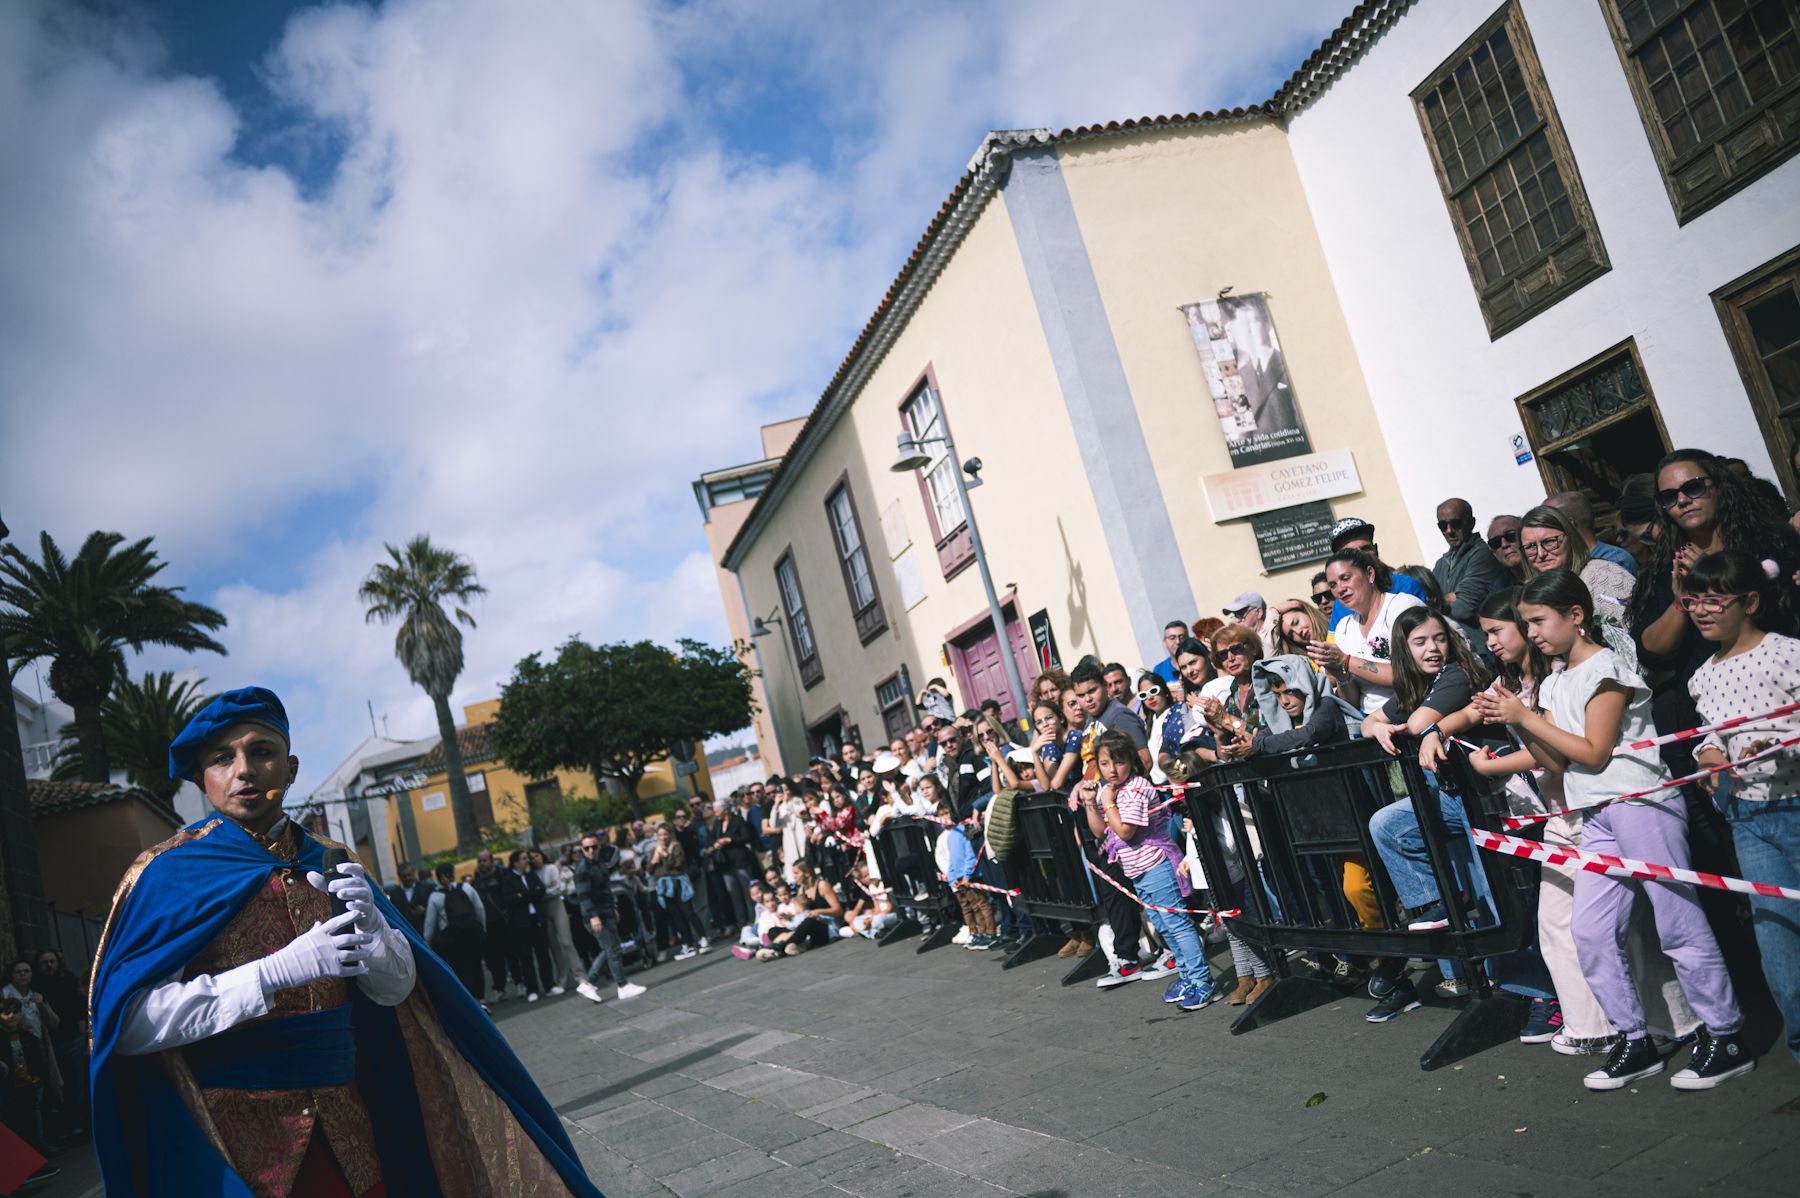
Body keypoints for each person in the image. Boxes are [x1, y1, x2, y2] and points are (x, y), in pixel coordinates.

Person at [88, 686, 600, 1196]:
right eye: (222, 758)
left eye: (261, 751)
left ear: (289, 769)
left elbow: (397, 992)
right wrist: (272, 973)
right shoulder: (168, 874)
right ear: (204, 779)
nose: (243, 770)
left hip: (354, 1125)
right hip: (236, 1146)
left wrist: (377, 934)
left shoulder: (331, 857)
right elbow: (129, 1024)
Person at [1478, 571, 1752, 1091]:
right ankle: (1633, 1036)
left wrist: (1524, 717)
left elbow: (1596, 752)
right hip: (1595, 814)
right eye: (1527, 623)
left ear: (1576, 616)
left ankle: (1726, 1032)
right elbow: (1555, 759)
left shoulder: (1608, 670)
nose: (1531, 632)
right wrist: (1518, 720)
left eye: (1539, 620)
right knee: (1591, 932)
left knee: (1679, 924)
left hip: (1643, 805)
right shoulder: (1556, 682)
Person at [1435, 589, 1697, 1056]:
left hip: (1609, 806)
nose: (1492, 641)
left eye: (1502, 630)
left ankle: (1678, 1025)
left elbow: (1564, 754)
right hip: (1569, 814)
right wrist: (1436, 731)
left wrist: (1494, 764)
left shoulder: (1572, 674)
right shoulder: (1517, 684)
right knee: (1565, 925)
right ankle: (1599, 1026)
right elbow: (1472, 713)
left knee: (1650, 926)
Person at [1684, 550, 1800, 1065]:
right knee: (1776, 941)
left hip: (1796, 805)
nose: (1702, 611)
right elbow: (1709, 734)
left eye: (1714, 600)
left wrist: (1778, 744)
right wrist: (1711, 755)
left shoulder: (1788, 654)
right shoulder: (1701, 676)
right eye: (1692, 601)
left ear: (1750, 601)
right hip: (1748, 818)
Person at [1075, 731, 1218, 1010]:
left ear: (1131, 760)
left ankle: (1203, 982)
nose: (1112, 770)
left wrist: (1106, 802)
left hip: (1157, 866)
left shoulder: (1137, 787)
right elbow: (1101, 831)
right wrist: (1092, 804)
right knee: (1164, 926)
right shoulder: (1112, 791)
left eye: (1118, 762)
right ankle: (1188, 976)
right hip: (1137, 870)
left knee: (1177, 924)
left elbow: (1125, 831)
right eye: (1105, 764)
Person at [1309, 547, 1424, 716]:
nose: (1340, 589)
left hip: (1414, 712)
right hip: (1371, 724)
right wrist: (1341, 675)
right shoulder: (1343, 627)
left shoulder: (1401, 607)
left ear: (1370, 574)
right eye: (1333, 585)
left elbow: (1408, 674)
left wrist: (1345, 661)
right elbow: (1351, 702)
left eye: (1345, 578)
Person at [1520, 504, 1634, 619]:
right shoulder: (1527, 594)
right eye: (1531, 547)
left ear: (1570, 537)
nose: (1541, 554)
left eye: (1549, 542)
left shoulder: (1603, 577)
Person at [571, 833, 648, 1004]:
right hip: (596, 915)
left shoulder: (599, 863)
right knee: (612, 950)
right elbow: (584, 897)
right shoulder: (582, 869)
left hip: (606, 911)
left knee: (611, 949)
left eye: (594, 847)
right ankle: (622, 985)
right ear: (582, 850)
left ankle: (589, 983)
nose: (590, 850)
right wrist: (593, 916)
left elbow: (606, 888)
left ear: (599, 847)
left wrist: (613, 906)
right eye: (586, 848)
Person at [1325, 517, 1429, 629]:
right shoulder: (1340, 603)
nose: (1361, 556)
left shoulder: (1405, 586)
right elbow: (1332, 644)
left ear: (1376, 549)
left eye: (1365, 549)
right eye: (1351, 553)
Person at [1432, 497, 1510, 642]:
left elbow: (1463, 608)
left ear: (1471, 523)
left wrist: (1438, 600)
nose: (1449, 531)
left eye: (1455, 523)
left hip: (1482, 648)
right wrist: (1447, 598)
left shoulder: (1482, 553)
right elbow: (1427, 607)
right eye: (1443, 526)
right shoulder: (1440, 564)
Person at [1, 995, 56, 1186]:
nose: (11, 1017)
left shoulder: (28, 1036)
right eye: (6, 1013)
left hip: (29, 1087)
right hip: (10, 1091)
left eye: (15, 1013)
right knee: (16, 1128)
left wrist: (37, 1078)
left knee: (33, 1124)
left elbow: (39, 1060)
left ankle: (35, 1165)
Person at [31, 948, 84, 1144]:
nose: (49, 965)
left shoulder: (68, 979)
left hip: (71, 1036)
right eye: (45, 962)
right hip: (49, 1042)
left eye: (52, 961)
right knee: (55, 1088)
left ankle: (78, 1125)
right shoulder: (36, 985)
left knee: (76, 1082)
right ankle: (63, 1127)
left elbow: (79, 1008)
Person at [422, 862, 487, 1003]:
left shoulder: (435, 896)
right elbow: (480, 909)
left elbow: (430, 922)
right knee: (476, 965)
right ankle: (482, 998)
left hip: (453, 938)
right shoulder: (466, 888)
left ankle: (472, 1001)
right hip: (472, 933)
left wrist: (427, 941)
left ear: (438, 877)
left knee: (462, 969)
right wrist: (482, 928)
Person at [940, 798, 998, 951]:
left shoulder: (962, 831)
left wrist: (967, 875)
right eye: (941, 815)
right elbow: (953, 859)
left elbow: (970, 856)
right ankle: (977, 932)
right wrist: (952, 878)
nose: (944, 818)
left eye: (946, 813)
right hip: (959, 879)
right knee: (969, 907)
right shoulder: (950, 835)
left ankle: (990, 932)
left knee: (981, 904)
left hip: (971, 877)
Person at [499, 849, 555, 1001]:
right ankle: (532, 989)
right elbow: (510, 899)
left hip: (536, 918)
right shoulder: (508, 879)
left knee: (543, 953)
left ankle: (549, 985)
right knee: (526, 957)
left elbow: (541, 890)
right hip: (521, 923)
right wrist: (529, 894)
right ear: (515, 862)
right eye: (523, 859)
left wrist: (523, 894)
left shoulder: (531, 875)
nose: (527, 861)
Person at [647, 823, 708, 959]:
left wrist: (665, 855)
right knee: (676, 916)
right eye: (660, 835)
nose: (663, 837)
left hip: (679, 883)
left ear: (670, 835)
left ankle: (703, 938)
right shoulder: (653, 850)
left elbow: (678, 865)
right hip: (665, 886)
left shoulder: (676, 846)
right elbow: (650, 871)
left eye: (665, 834)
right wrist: (655, 859)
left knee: (688, 912)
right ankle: (688, 944)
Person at [1546, 490, 1639, 577]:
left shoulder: (1614, 560)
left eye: (1549, 524)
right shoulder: (1571, 564)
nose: (1544, 532)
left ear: (1570, 524)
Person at [531, 846, 582, 992]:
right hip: (543, 909)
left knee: (566, 942)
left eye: (536, 856)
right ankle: (562, 978)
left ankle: (579, 975)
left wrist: (542, 891)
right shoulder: (533, 874)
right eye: (532, 858)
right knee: (554, 947)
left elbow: (558, 888)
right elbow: (537, 893)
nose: (535, 859)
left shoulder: (551, 868)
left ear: (541, 855)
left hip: (557, 906)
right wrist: (545, 889)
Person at [470, 848, 512, 1003]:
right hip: (487, 926)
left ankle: (520, 982)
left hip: (503, 922)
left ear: (492, 860)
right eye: (479, 861)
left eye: (484, 860)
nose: (481, 864)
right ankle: (499, 988)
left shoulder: (502, 876)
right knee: (493, 960)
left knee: (511, 954)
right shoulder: (477, 882)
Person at [1151, 619, 1189, 688]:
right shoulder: (1159, 670)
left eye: (1182, 637)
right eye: (1172, 638)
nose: (1178, 642)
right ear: (1164, 642)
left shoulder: (1200, 661)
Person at [1487, 514, 1526, 582]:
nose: (1504, 544)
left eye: (1510, 535)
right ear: (1494, 554)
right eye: (1496, 542)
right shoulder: (1495, 590)